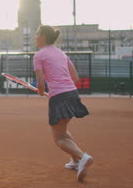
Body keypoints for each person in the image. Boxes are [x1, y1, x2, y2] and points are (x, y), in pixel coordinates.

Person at [33, 25, 93, 182]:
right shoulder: (61, 53)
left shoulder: (39, 56)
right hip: (73, 94)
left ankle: (82, 157)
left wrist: (41, 91)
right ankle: (75, 161)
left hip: (59, 97)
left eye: (37, 34)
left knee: (58, 138)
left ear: (44, 36)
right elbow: (75, 78)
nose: (35, 37)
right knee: (63, 131)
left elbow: (40, 83)